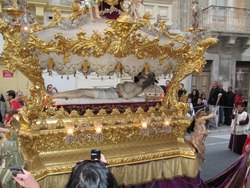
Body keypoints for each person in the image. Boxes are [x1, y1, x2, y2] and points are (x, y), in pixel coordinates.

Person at [52, 73, 157, 100]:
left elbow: (126, 96)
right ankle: (56, 95)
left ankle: (54, 95)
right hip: (111, 91)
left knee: (82, 92)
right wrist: (120, 85)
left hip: (112, 94)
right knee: (81, 90)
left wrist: (120, 85)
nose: (143, 74)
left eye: (146, 75)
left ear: (147, 80)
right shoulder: (136, 85)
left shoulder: (139, 88)